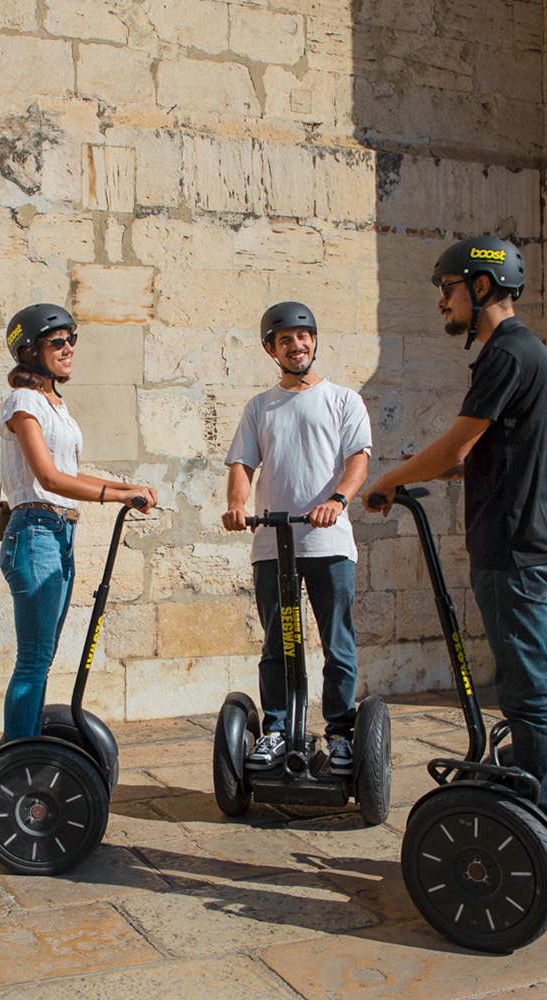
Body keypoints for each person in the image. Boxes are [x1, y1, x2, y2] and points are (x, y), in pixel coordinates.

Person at [363, 235, 547, 881]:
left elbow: (457, 449)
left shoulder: (502, 355)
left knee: (530, 701)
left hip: (515, 553)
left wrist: (386, 481)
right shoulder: (538, 357)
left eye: (448, 287)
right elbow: (505, 452)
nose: (443, 300)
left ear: (481, 286)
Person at [222, 302, 372, 772]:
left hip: (328, 544)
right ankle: (277, 728)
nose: (296, 345)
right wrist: (237, 506)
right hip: (273, 543)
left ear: (314, 341)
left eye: (303, 336)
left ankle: (341, 733)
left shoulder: (344, 399)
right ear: (272, 349)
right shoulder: (259, 406)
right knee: (278, 644)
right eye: (285, 339)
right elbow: (242, 464)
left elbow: (358, 460)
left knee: (337, 645)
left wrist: (339, 501)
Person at [0, 303, 157, 741]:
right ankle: (15, 757)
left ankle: (24, 747)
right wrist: (116, 495)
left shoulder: (56, 405)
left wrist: (125, 489)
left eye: (72, 339)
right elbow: (48, 477)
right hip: (34, 532)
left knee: (42, 656)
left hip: (60, 532)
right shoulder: (22, 401)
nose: (68, 348)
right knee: (33, 657)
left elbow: (70, 473)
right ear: (30, 351)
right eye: (57, 341)